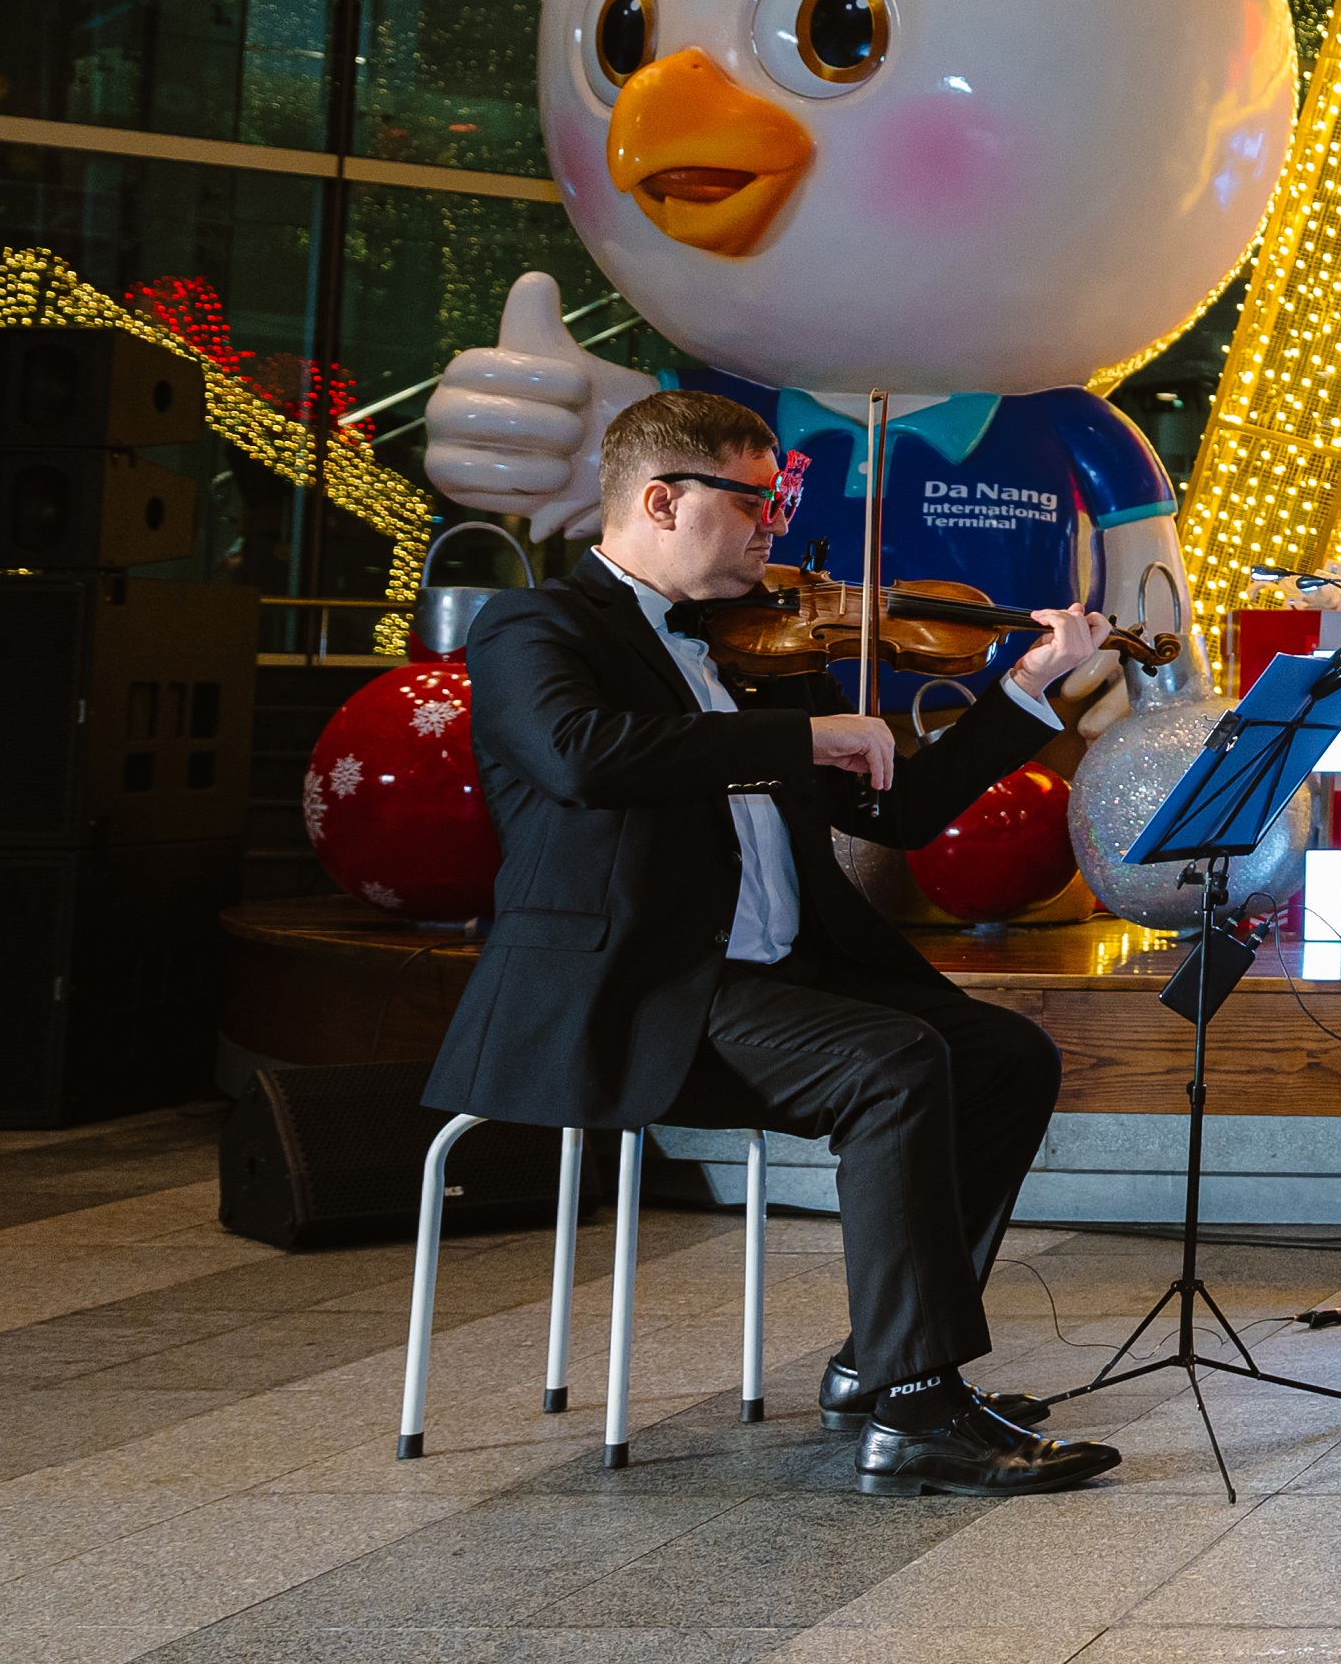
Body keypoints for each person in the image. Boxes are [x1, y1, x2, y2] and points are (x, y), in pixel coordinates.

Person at [437, 386, 1118, 1497]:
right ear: (661, 498)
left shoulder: (752, 649)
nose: (773, 529)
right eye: (754, 503)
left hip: (774, 979)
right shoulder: (538, 627)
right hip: (643, 984)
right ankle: (914, 1408)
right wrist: (798, 735)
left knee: (1007, 1055)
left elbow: (897, 810)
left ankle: (881, 1360)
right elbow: (581, 756)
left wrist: (1024, 689)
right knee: (894, 1066)